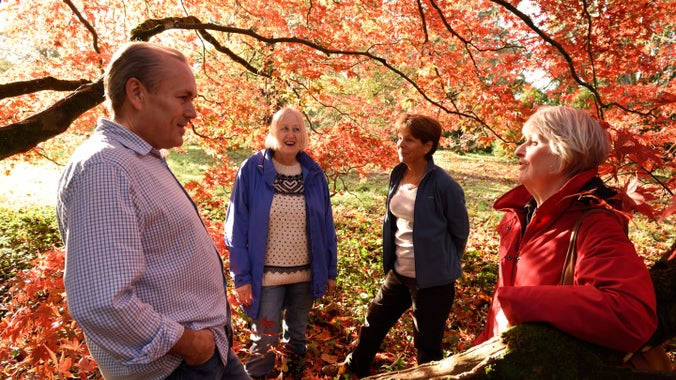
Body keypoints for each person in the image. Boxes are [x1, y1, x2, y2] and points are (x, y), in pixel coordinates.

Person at [56, 42, 249, 380]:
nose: (192, 112)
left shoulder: (138, 159)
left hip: (203, 354)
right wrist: (190, 345)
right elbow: (102, 301)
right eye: (183, 97)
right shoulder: (106, 167)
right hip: (173, 366)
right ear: (137, 93)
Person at [473, 106, 660, 361]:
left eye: (533, 141)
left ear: (564, 154)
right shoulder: (518, 216)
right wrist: (480, 347)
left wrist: (519, 303)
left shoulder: (594, 225)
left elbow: (629, 314)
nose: (519, 150)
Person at [323, 113, 470, 378]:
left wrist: (442, 265)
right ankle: (353, 368)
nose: (400, 144)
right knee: (373, 324)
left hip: (433, 282)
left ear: (427, 146)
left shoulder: (445, 186)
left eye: (409, 140)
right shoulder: (398, 173)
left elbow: (460, 233)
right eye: (399, 138)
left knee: (427, 345)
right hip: (399, 272)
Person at [224, 107, 338, 379]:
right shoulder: (253, 169)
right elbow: (236, 226)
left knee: (297, 338)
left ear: (304, 135)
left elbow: (326, 227)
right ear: (274, 133)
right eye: (284, 128)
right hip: (266, 276)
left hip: (305, 275)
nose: (290, 134)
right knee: (265, 340)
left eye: (296, 129)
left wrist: (330, 271)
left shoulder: (312, 172)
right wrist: (242, 277)